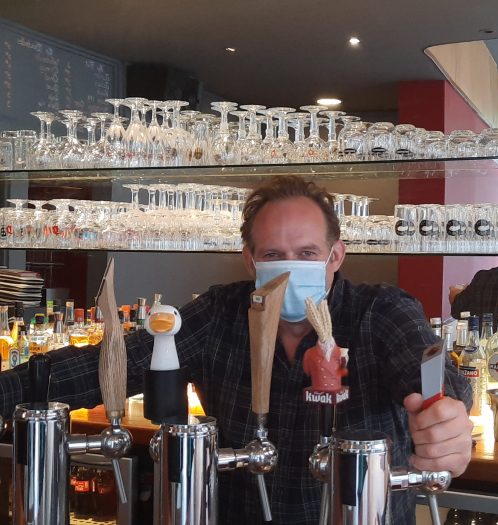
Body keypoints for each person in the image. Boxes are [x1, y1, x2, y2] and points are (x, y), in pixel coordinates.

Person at [0, 176, 472, 524]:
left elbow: (431, 374)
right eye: (273, 255)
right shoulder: (220, 313)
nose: (289, 268)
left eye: (307, 254)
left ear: (336, 256)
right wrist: (11, 390)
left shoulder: (380, 311)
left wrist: (446, 416)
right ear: (250, 259)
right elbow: (111, 365)